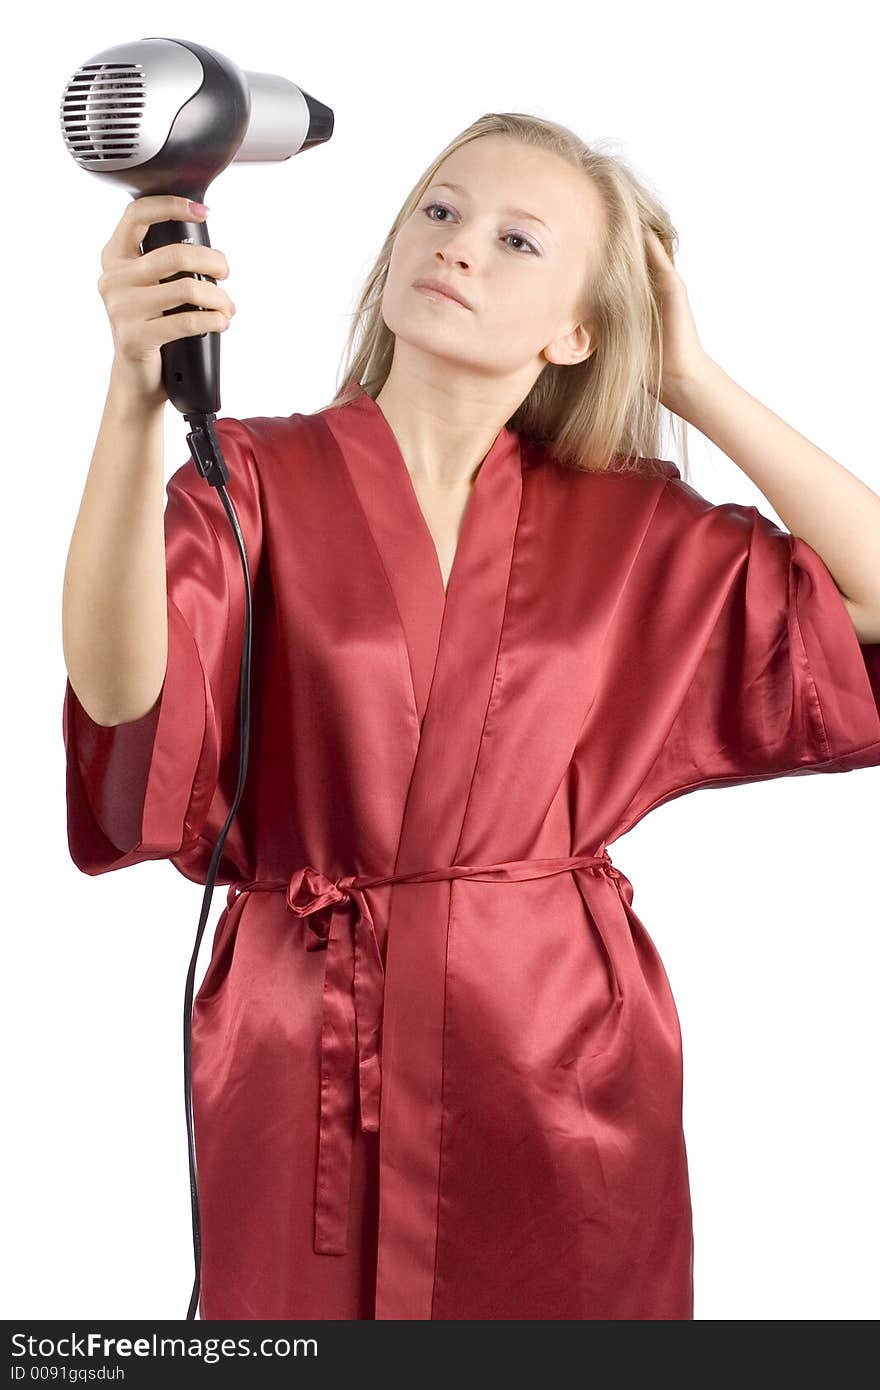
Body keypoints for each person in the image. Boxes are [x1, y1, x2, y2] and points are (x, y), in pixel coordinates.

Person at [62, 112, 880, 1321]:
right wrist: (134, 398)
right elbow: (123, 694)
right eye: (439, 213)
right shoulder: (246, 480)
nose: (459, 248)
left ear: (577, 330)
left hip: (557, 1055)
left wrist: (693, 382)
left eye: (516, 240)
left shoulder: (633, 526)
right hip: (304, 1050)